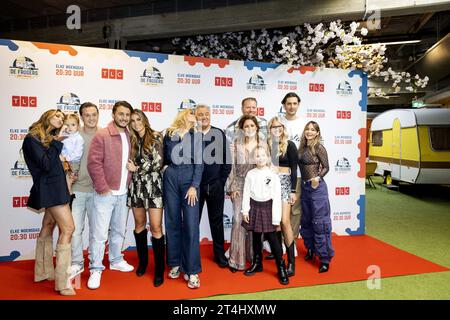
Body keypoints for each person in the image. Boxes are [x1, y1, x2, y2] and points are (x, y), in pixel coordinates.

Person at [22, 109, 76, 296]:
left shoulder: (50, 138)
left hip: (56, 186)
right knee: (68, 229)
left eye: (62, 118)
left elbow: (51, 163)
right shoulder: (32, 138)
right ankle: (63, 283)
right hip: (50, 189)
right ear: (47, 117)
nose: (60, 119)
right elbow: (44, 165)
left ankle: (43, 271)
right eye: (57, 116)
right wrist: (56, 144)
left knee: (48, 224)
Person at [86, 100, 134, 290]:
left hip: (123, 193)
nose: (124, 118)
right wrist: (103, 188)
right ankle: (96, 268)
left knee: (118, 230)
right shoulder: (103, 134)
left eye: (127, 115)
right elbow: (94, 163)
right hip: (105, 193)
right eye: (121, 114)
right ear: (114, 114)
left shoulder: (129, 135)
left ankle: (115, 260)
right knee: (99, 234)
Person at [163, 108, 204, 289]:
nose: (195, 117)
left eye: (196, 115)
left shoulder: (198, 136)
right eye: (192, 114)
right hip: (171, 177)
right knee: (172, 221)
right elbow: (163, 155)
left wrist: (194, 186)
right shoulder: (170, 133)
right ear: (183, 115)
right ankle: (175, 263)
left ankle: (192, 270)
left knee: (190, 224)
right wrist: (165, 168)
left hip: (190, 178)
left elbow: (200, 163)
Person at [126, 109, 165, 287]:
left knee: (156, 227)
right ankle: (143, 263)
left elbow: (158, 163)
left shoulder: (156, 136)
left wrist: (137, 169)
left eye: (138, 119)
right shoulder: (131, 140)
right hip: (137, 188)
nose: (136, 123)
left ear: (144, 119)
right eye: (132, 120)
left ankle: (159, 269)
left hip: (154, 187)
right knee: (139, 226)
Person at [242, 145, 289, 285]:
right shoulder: (250, 174)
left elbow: (276, 197)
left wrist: (276, 218)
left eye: (263, 155)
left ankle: (281, 267)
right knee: (256, 236)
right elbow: (246, 193)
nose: (260, 158)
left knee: (273, 239)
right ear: (253, 158)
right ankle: (258, 263)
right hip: (254, 207)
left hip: (268, 208)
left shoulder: (273, 175)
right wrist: (245, 210)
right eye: (257, 156)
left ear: (268, 157)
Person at [195, 105, 231, 268]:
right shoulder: (191, 134)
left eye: (206, 114)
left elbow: (227, 160)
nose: (204, 117)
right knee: (192, 222)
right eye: (200, 114)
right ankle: (191, 254)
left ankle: (219, 255)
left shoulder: (218, 133)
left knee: (216, 222)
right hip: (194, 188)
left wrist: (221, 181)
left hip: (215, 185)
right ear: (195, 117)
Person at [226, 115, 262, 273]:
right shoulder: (236, 145)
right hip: (240, 185)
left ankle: (253, 257)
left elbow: (268, 169)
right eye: (246, 126)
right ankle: (236, 260)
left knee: (254, 223)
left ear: (257, 128)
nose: (249, 129)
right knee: (238, 220)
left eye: (252, 126)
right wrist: (231, 187)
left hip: (257, 188)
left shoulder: (263, 145)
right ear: (242, 129)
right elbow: (231, 168)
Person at [298, 121, 335, 273]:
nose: (310, 132)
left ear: (318, 133)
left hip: (317, 189)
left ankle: (324, 259)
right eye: (307, 129)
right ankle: (311, 249)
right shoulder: (301, 148)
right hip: (305, 188)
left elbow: (326, 166)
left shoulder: (319, 147)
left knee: (320, 223)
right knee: (306, 221)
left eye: (313, 130)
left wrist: (317, 178)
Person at [70, 102, 100, 279]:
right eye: (87, 115)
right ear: (81, 117)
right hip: (78, 190)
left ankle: (95, 264)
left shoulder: (104, 134)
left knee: (97, 231)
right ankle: (76, 263)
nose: (91, 118)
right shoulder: (74, 135)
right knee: (75, 230)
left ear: (98, 115)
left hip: (99, 192)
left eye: (94, 114)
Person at [267, 116, 298, 277]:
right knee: (275, 222)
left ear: (283, 128)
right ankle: (279, 255)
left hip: (285, 184)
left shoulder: (290, 145)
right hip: (270, 186)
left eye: (279, 126)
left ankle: (292, 262)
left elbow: (294, 169)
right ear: (269, 129)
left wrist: (293, 190)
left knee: (285, 221)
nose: (277, 129)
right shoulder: (267, 146)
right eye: (273, 127)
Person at [280, 92, 307, 254]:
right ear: (284, 105)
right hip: (280, 174)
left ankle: (292, 241)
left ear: (298, 105)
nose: (291, 106)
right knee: (279, 210)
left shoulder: (304, 124)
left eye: (294, 103)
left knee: (295, 210)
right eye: (288, 103)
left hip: (296, 175)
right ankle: (280, 241)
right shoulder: (278, 122)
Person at [60, 113, 84, 204]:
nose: (70, 127)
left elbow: (77, 154)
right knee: (63, 182)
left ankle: (69, 199)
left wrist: (66, 158)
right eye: (67, 125)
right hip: (64, 162)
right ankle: (67, 197)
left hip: (73, 163)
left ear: (78, 126)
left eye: (73, 125)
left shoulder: (78, 138)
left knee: (68, 182)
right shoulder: (64, 136)